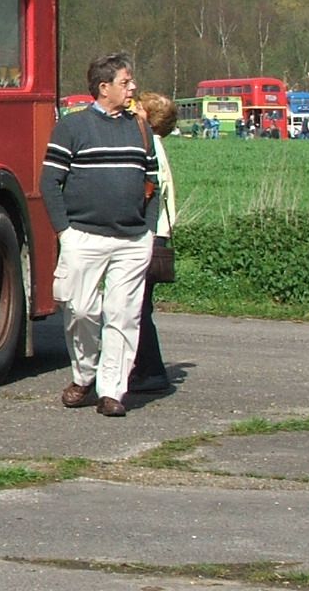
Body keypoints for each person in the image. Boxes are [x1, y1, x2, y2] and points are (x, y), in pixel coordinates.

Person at [40, 52, 159, 418]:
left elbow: (152, 182)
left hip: (132, 240)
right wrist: (65, 232)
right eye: (126, 82)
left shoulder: (140, 128)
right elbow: (49, 182)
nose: (133, 88)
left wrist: (149, 231)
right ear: (103, 87)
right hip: (83, 237)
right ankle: (85, 375)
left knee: (123, 315)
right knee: (81, 310)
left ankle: (112, 392)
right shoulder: (72, 128)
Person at [130, 91, 178, 394]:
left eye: (139, 108)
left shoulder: (151, 147)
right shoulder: (156, 145)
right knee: (139, 305)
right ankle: (144, 368)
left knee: (138, 306)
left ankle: (152, 369)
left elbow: (150, 190)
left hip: (152, 233)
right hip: (158, 232)